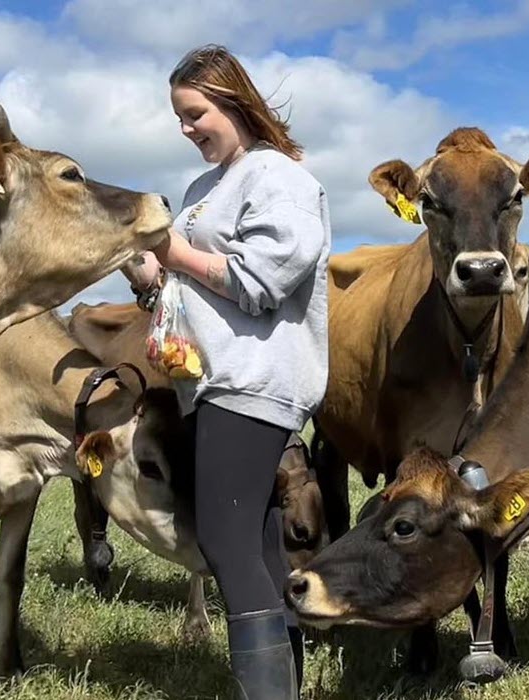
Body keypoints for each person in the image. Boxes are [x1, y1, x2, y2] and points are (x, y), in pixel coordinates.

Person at [126, 44, 329, 700]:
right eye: (180, 119)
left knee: (223, 536)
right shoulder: (200, 190)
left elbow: (264, 278)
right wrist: (142, 262)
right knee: (260, 542)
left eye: (195, 113)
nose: (187, 130)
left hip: (256, 378)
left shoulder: (280, 178)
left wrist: (176, 252)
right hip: (210, 384)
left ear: (233, 101)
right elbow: (178, 274)